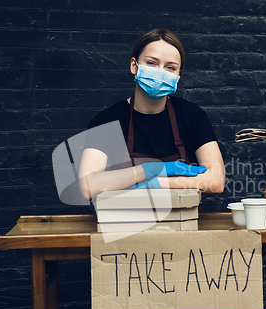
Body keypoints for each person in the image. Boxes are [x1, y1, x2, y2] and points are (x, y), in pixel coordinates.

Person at [79, 28, 225, 203]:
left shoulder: (191, 116)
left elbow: (216, 181)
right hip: (125, 224)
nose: (161, 72)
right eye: (152, 63)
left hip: (183, 223)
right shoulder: (106, 121)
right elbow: (87, 186)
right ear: (134, 66)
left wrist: (155, 183)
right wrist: (150, 170)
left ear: (179, 75)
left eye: (170, 67)